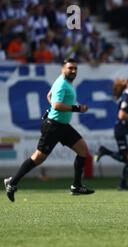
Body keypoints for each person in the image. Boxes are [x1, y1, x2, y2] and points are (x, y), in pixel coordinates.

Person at [4, 58, 95, 201]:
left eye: (75, 68)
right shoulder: (62, 84)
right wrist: (78, 108)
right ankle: (12, 182)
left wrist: (54, 109)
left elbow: (49, 96)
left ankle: (76, 186)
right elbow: (57, 105)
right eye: (70, 68)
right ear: (63, 69)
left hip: (63, 125)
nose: (73, 71)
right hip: (53, 126)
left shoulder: (62, 81)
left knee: (83, 150)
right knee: (38, 158)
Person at [94, 76, 128, 190]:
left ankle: (123, 184)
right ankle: (105, 151)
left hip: (127, 130)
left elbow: (127, 115)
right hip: (123, 131)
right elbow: (121, 115)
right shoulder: (126, 98)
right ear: (127, 84)